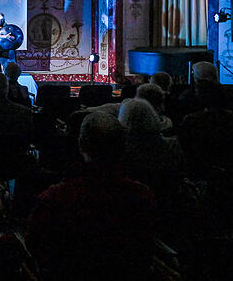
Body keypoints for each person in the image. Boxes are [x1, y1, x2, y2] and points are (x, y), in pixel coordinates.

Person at [26, 112, 155, 281]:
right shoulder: (142, 196)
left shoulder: (56, 198)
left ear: (80, 145)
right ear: (124, 147)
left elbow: (33, 244)